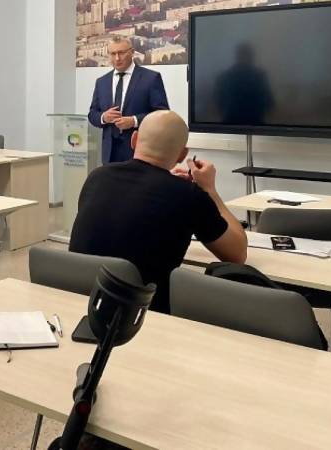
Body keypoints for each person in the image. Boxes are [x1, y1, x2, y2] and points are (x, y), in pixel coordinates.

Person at [69, 110, 247, 314]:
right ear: (182, 155)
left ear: (134, 140)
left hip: (78, 304)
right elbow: (237, 254)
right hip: (144, 316)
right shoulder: (188, 196)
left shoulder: (97, 177)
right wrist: (210, 191)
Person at [87, 36, 169, 164]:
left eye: (121, 53)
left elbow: (162, 114)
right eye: (113, 54)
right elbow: (92, 114)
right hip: (109, 154)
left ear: (132, 52)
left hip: (139, 152)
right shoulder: (102, 82)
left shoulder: (151, 78)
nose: (117, 58)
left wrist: (134, 121)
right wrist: (104, 117)